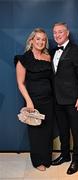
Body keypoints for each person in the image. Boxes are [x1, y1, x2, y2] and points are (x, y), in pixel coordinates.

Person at [51, 22, 78, 175]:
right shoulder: (52, 51)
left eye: (60, 32)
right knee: (63, 130)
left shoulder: (76, 50)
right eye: (54, 32)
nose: (57, 35)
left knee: (76, 131)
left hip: (73, 100)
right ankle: (65, 155)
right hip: (57, 99)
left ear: (67, 33)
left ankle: (76, 159)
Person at [14, 28, 54, 171]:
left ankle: (47, 158)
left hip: (49, 100)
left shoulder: (48, 57)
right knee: (36, 132)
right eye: (38, 39)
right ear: (31, 41)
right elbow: (20, 83)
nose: (41, 42)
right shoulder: (23, 59)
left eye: (43, 39)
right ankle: (38, 161)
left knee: (48, 131)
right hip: (33, 101)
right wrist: (29, 101)